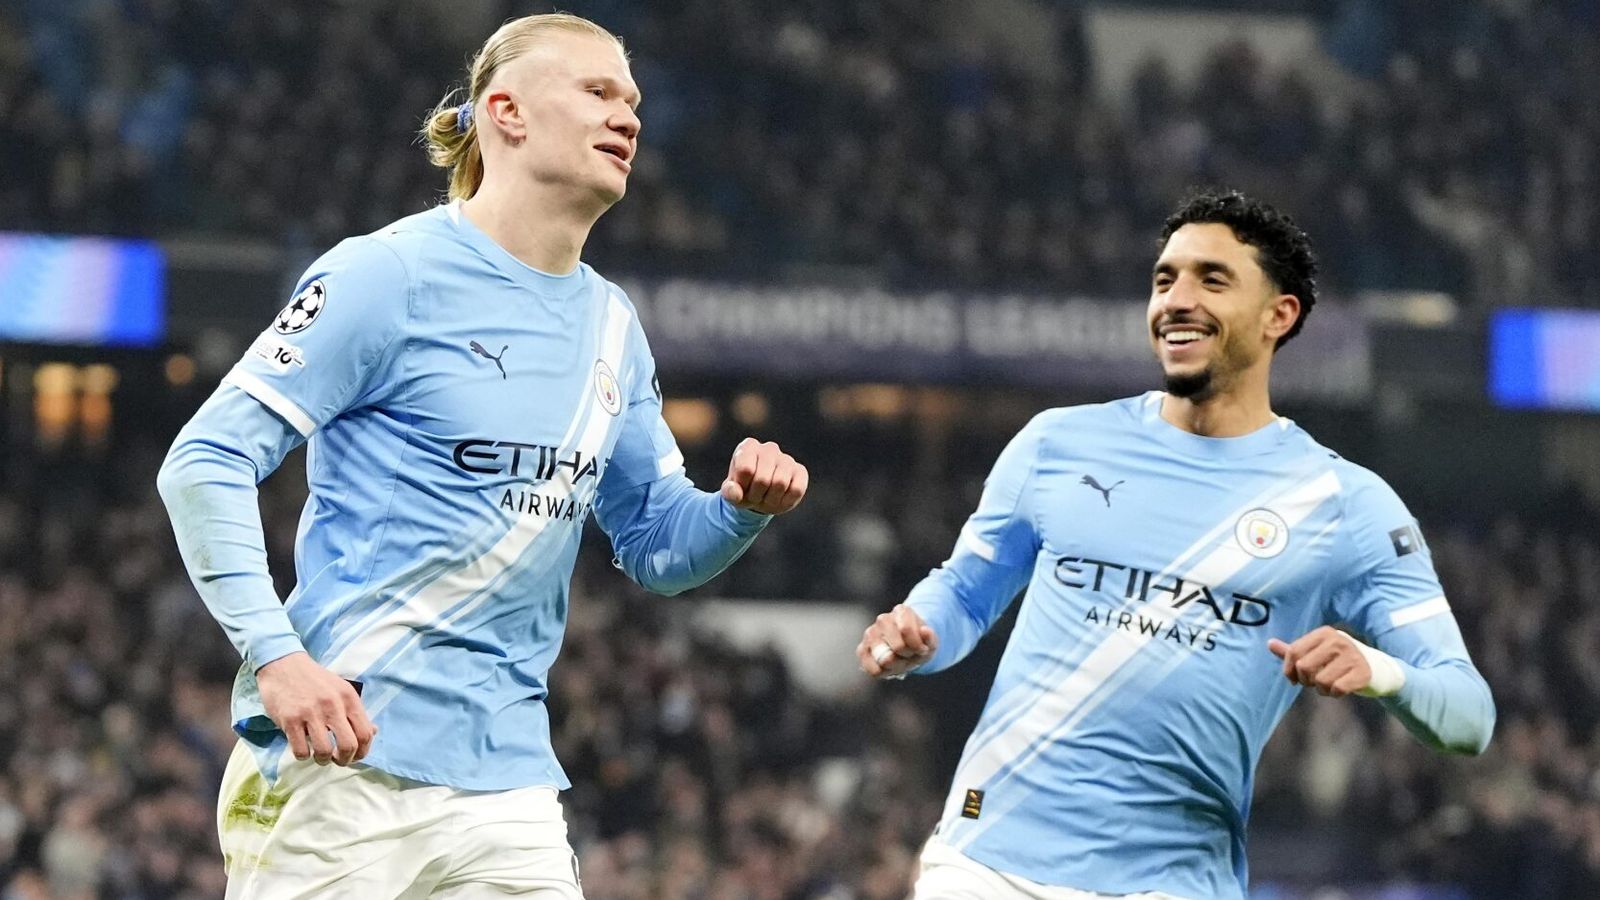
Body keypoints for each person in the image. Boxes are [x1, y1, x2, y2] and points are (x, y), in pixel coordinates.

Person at [157, 14, 807, 898]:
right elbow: (203, 461)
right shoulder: (387, 276)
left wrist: (738, 511)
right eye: (598, 92)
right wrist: (277, 657)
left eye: (634, 101)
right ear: (506, 112)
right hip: (343, 767)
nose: (629, 117)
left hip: (507, 790)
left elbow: (657, 546)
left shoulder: (613, 326)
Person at [857, 190, 1494, 900]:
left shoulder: (1346, 505)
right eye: (1165, 280)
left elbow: (1468, 715)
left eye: (1212, 280)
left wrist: (1378, 670)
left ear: (1279, 315)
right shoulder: (1057, 444)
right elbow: (964, 595)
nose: (1177, 300)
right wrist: (919, 631)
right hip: (989, 861)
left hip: (1177, 883)